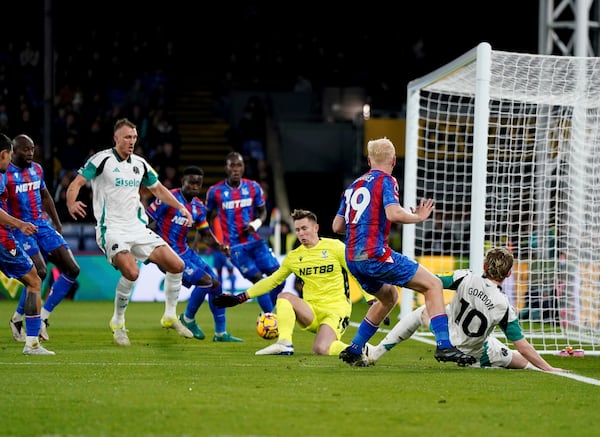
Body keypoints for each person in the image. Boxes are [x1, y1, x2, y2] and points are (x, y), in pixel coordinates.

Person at [332, 137, 475, 367]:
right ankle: (444, 346)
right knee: (433, 285)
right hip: (375, 254)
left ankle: (355, 348)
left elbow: (337, 227)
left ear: (369, 160)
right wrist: (418, 217)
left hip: (353, 258)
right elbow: (393, 213)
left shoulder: (353, 186)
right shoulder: (386, 180)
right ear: (393, 159)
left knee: (389, 297)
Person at [65, 118, 194, 346]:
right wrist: (71, 202)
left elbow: (159, 189)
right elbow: (76, 183)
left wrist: (181, 206)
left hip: (137, 227)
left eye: (134, 137)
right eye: (127, 137)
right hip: (112, 229)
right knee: (132, 272)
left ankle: (170, 316)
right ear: (116, 138)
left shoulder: (140, 164)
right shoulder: (101, 160)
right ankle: (118, 322)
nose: (131, 141)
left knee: (177, 266)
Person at [367, 247, 568, 372]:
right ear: (508, 274)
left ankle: (377, 352)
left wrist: (395, 282)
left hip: (447, 336)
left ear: (484, 265)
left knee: (422, 312)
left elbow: (432, 282)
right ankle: (547, 371)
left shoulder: (466, 277)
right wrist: (549, 367)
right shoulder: (504, 305)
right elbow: (522, 345)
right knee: (523, 362)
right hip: (477, 352)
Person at [214, 209, 374, 356]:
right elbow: (272, 280)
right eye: (298, 230)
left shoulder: (336, 247)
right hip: (311, 310)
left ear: (316, 228)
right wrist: (240, 297)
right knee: (284, 296)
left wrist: (371, 299)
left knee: (321, 349)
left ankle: (362, 351)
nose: (301, 233)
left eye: (304, 228)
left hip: (336, 311)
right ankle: (284, 343)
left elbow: (356, 273)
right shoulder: (294, 257)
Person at [146, 165, 243, 342]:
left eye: (198, 184)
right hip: (168, 255)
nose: (195, 186)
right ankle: (188, 319)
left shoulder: (198, 206)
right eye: (192, 183)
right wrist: (148, 251)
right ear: (183, 182)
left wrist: (221, 247)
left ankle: (220, 333)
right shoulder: (167, 198)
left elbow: (206, 234)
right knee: (206, 282)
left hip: (185, 251)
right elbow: (146, 222)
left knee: (216, 284)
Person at [6, 134, 81, 342]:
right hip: (20, 229)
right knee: (38, 272)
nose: (30, 153)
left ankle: (42, 317)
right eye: (25, 149)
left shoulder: (37, 169)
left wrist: (56, 224)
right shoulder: (5, 175)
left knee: (73, 269)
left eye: (32, 149)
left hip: (41, 224)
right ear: (13, 150)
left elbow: (46, 195)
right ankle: (20, 320)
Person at [205, 151, 284, 314]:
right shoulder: (215, 191)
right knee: (258, 280)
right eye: (232, 165)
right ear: (226, 168)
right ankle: (270, 317)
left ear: (243, 167)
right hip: (236, 247)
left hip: (256, 241)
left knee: (279, 277)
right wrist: (217, 243)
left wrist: (256, 223)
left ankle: (268, 311)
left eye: (239, 165)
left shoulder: (253, 187)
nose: (236, 169)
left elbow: (263, 212)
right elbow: (205, 220)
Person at [0, 133, 53, 355]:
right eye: (9, 155)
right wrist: (19, 224)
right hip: (3, 240)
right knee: (34, 280)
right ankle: (32, 343)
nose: (10, 160)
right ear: (4, 154)